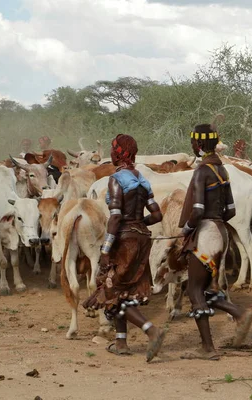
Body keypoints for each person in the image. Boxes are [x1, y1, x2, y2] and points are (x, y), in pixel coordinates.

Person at [82, 134, 167, 362]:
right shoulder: (142, 180)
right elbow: (156, 215)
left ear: (119, 154)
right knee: (123, 291)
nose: (111, 152)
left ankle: (151, 330)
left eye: (113, 149)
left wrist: (106, 249)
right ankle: (120, 342)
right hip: (142, 238)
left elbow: (115, 217)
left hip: (124, 241)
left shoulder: (116, 179)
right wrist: (139, 224)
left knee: (112, 291)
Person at [178, 122, 252, 360]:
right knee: (205, 288)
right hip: (221, 232)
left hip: (206, 234)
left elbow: (198, 209)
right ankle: (237, 313)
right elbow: (230, 210)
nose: (191, 145)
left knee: (194, 290)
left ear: (199, 144)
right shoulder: (223, 170)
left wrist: (187, 229)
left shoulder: (202, 171)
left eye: (193, 142)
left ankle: (208, 348)